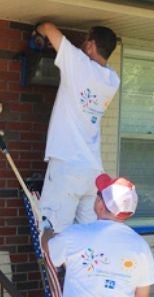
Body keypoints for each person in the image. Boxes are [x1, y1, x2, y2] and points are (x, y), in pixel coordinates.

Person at [33, 22, 120, 233]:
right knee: (88, 234)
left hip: (67, 165)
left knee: (52, 232)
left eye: (85, 42)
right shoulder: (112, 79)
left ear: (91, 45)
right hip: (92, 170)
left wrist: (36, 33)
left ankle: (55, 266)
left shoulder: (80, 64)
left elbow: (48, 27)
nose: (82, 46)